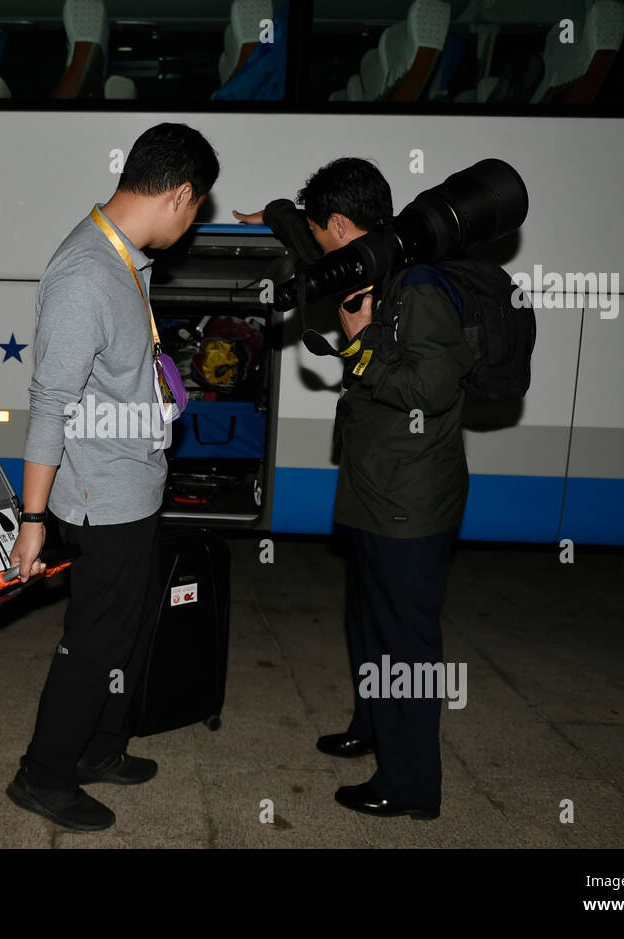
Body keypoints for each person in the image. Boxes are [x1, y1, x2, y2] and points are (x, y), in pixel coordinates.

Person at [235, 158, 472, 820]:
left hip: (410, 497)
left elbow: (431, 388)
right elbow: (312, 243)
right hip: (375, 486)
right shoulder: (370, 255)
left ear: (345, 223)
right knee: (369, 625)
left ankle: (412, 783)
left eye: (323, 230)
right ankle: (373, 726)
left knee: (406, 643)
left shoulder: (418, 284)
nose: (322, 247)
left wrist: (361, 341)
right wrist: (279, 213)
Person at [6, 123, 219, 831]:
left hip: (134, 484)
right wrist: (32, 521)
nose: (192, 227)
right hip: (102, 498)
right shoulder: (85, 274)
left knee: (126, 633)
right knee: (93, 640)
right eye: (197, 210)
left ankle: (101, 746)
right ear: (179, 195)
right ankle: (43, 774)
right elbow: (48, 403)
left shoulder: (127, 258)